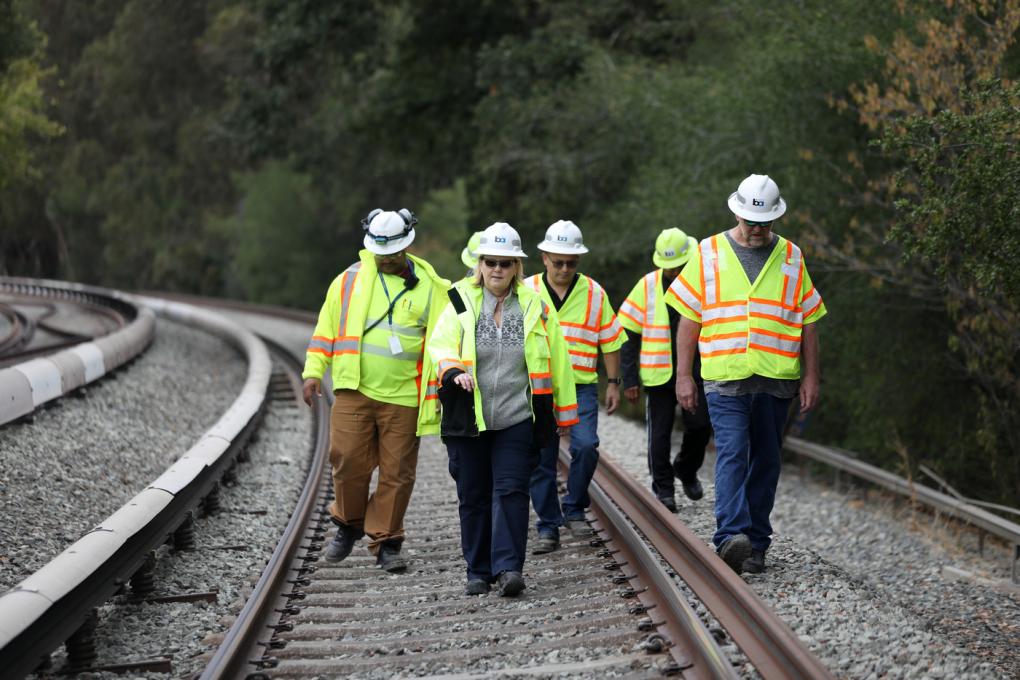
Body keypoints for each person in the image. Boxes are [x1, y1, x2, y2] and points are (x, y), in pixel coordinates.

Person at [668, 175, 825, 575]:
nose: (756, 229)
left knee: (766, 462)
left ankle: (757, 542)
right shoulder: (709, 251)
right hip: (726, 378)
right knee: (733, 453)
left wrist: (811, 378)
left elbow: (808, 321)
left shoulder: (791, 255)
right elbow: (689, 318)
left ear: (774, 219)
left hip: (776, 381)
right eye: (749, 221)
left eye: (763, 222)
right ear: (736, 212)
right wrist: (683, 376)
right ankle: (730, 537)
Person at [428, 222, 577, 597]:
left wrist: (566, 414)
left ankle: (509, 567)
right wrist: (454, 370)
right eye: (491, 261)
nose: (497, 269)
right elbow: (440, 344)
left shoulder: (533, 304)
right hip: (469, 417)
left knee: (511, 491)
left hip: (516, 416)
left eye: (506, 263)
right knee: (474, 494)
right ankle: (478, 571)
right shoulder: (459, 299)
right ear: (479, 264)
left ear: (517, 268)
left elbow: (558, 359)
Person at [302, 208, 450, 573]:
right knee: (346, 459)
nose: (386, 260)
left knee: (398, 472)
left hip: (404, 395)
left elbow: (445, 340)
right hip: (355, 388)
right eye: (381, 253)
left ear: (407, 247)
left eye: (393, 254)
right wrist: (312, 371)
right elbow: (326, 330)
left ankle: (386, 541)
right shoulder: (347, 281)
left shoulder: (432, 288)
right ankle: (349, 523)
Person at [524, 220, 624, 554]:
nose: (565, 268)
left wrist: (613, 383)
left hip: (580, 387)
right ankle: (548, 526)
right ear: (544, 258)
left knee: (585, 446)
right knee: (542, 457)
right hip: (538, 388)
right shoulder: (525, 291)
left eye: (571, 262)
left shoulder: (594, 292)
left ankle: (575, 507)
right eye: (558, 261)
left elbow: (610, 341)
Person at [618, 228, 712, 513]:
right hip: (658, 377)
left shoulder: (703, 285)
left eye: (679, 267)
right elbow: (627, 334)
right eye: (668, 268)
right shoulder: (646, 286)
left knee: (700, 427)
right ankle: (664, 488)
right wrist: (629, 378)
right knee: (658, 436)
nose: (673, 272)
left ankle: (685, 468)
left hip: (696, 375)